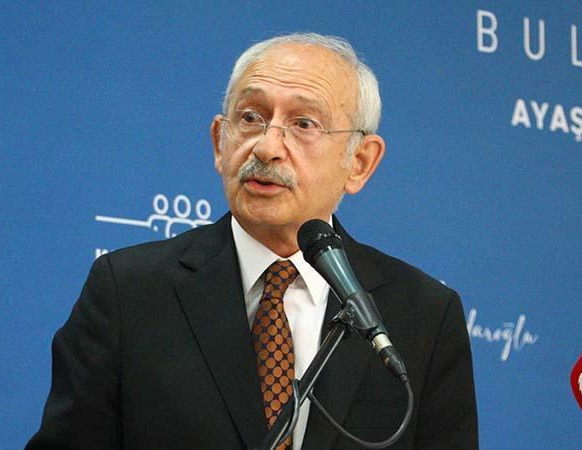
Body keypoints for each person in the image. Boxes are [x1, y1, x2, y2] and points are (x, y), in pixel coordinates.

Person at [27, 33, 477, 450]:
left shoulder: (423, 315)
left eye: (303, 123)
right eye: (250, 118)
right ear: (219, 142)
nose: (266, 147)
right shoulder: (128, 291)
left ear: (359, 162)